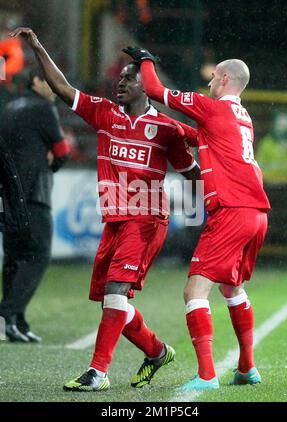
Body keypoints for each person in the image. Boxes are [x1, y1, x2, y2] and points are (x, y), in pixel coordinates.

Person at [11, 27, 200, 391]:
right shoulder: (104, 113)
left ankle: (98, 372)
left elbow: (193, 168)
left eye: (130, 79)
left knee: (115, 293)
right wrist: (37, 46)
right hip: (114, 220)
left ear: (146, 85)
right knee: (112, 302)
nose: (121, 83)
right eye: (120, 78)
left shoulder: (166, 129)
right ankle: (157, 351)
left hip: (146, 220)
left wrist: (216, 193)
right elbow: (64, 88)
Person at [123, 46, 271, 390]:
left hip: (231, 212)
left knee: (194, 292)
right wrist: (171, 127)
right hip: (256, 213)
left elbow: (156, 91)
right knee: (232, 287)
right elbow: (204, 136)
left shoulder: (212, 108)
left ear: (224, 78)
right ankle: (247, 368)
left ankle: (206, 376)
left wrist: (146, 59)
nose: (208, 85)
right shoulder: (242, 118)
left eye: (212, 78)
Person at [0, 67, 70, 343]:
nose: (54, 88)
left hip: (5, 194)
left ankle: (16, 322)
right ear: (36, 81)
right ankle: (7, 313)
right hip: (32, 195)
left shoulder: (8, 107)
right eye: (50, 82)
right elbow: (62, 152)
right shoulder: (43, 108)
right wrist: (50, 163)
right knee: (38, 255)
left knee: (14, 256)